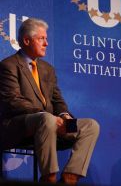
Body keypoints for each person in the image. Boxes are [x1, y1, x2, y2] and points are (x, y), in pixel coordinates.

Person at [0, 18, 100, 185]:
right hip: (19, 127)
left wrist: (64, 116)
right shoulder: (8, 66)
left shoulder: (47, 69)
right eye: (41, 39)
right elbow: (12, 101)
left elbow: (57, 100)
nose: (46, 43)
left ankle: (70, 178)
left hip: (51, 123)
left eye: (46, 39)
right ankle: (49, 178)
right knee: (47, 119)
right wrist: (50, 117)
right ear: (26, 40)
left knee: (90, 125)